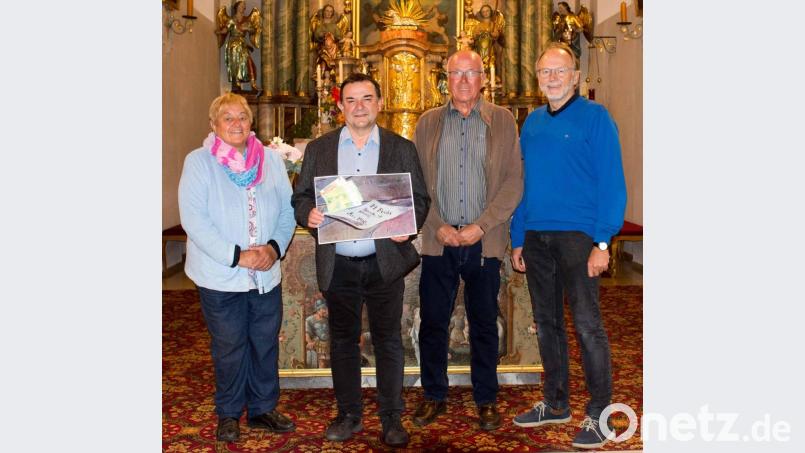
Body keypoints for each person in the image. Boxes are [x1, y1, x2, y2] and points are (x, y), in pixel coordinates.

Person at [291, 73, 430, 448]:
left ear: (379, 104)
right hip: (338, 264)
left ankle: (391, 418)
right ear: (340, 106)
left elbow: (420, 199)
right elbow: (301, 196)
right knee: (342, 342)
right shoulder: (319, 149)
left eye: (367, 98)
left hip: (383, 263)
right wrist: (309, 215)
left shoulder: (401, 148)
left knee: (388, 341)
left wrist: (409, 224)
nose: (359, 107)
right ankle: (349, 414)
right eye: (351, 100)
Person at [509, 41, 626, 450]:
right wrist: (518, 236)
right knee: (547, 324)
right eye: (546, 72)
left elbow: (612, 181)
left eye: (561, 71)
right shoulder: (533, 122)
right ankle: (556, 402)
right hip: (537, 238)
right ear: (537, 79)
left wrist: (602, 240)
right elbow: (525, 185)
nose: (553, 78)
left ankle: (600, 415)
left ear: (575, 77)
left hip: (579, 238)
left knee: (588, 326)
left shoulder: (596, 118)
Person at [412, 49, 523, 431]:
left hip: (483, 240)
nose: (462, 80)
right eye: (455, 73)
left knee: (483, 323)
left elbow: (513, 182)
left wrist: (481, 225)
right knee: (434, 323)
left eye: (470, 73)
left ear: (482, 78)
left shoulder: (503, 120)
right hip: (438, 239)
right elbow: (416, 184)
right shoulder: (427, 123)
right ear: (446, 79)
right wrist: (436, 225)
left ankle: (486, 398)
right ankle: (433, 395)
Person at [178, 92, 297, 442]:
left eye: (242, 116)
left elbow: (287, 213)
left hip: (265, 275)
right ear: (214, 125)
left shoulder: (272, 162)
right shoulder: (199, 162)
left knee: (264, 342)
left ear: (251, 122)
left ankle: (262, 409)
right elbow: (195, 220)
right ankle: (229, 412)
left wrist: (274, 249)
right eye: (227, 117)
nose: (236, 123)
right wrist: (238, 256)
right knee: (229, 346)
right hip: (221, 275)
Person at [215, 1, 261, 91]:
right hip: (233, 45)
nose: (243, 8)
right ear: (237, 7)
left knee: (249, 62)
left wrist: (248, 28)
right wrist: (218, 32)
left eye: (244, 6)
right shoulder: (231, 20)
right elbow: (225, 30)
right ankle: (237, 83)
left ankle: (253, 83)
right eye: (241, 6)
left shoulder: (246, 20)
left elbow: (253, 30)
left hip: (242, 44)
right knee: (235, 63)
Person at [305, 299, 330, 368]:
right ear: (317, 309)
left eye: (326, 309)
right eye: (323, 309)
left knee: (328, 364)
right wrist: (310, 342)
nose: (325, 311)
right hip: (317, 345)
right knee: (322, 363)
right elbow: (307, 333)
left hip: (328, 345)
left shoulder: (327, 320)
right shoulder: (309, 320)